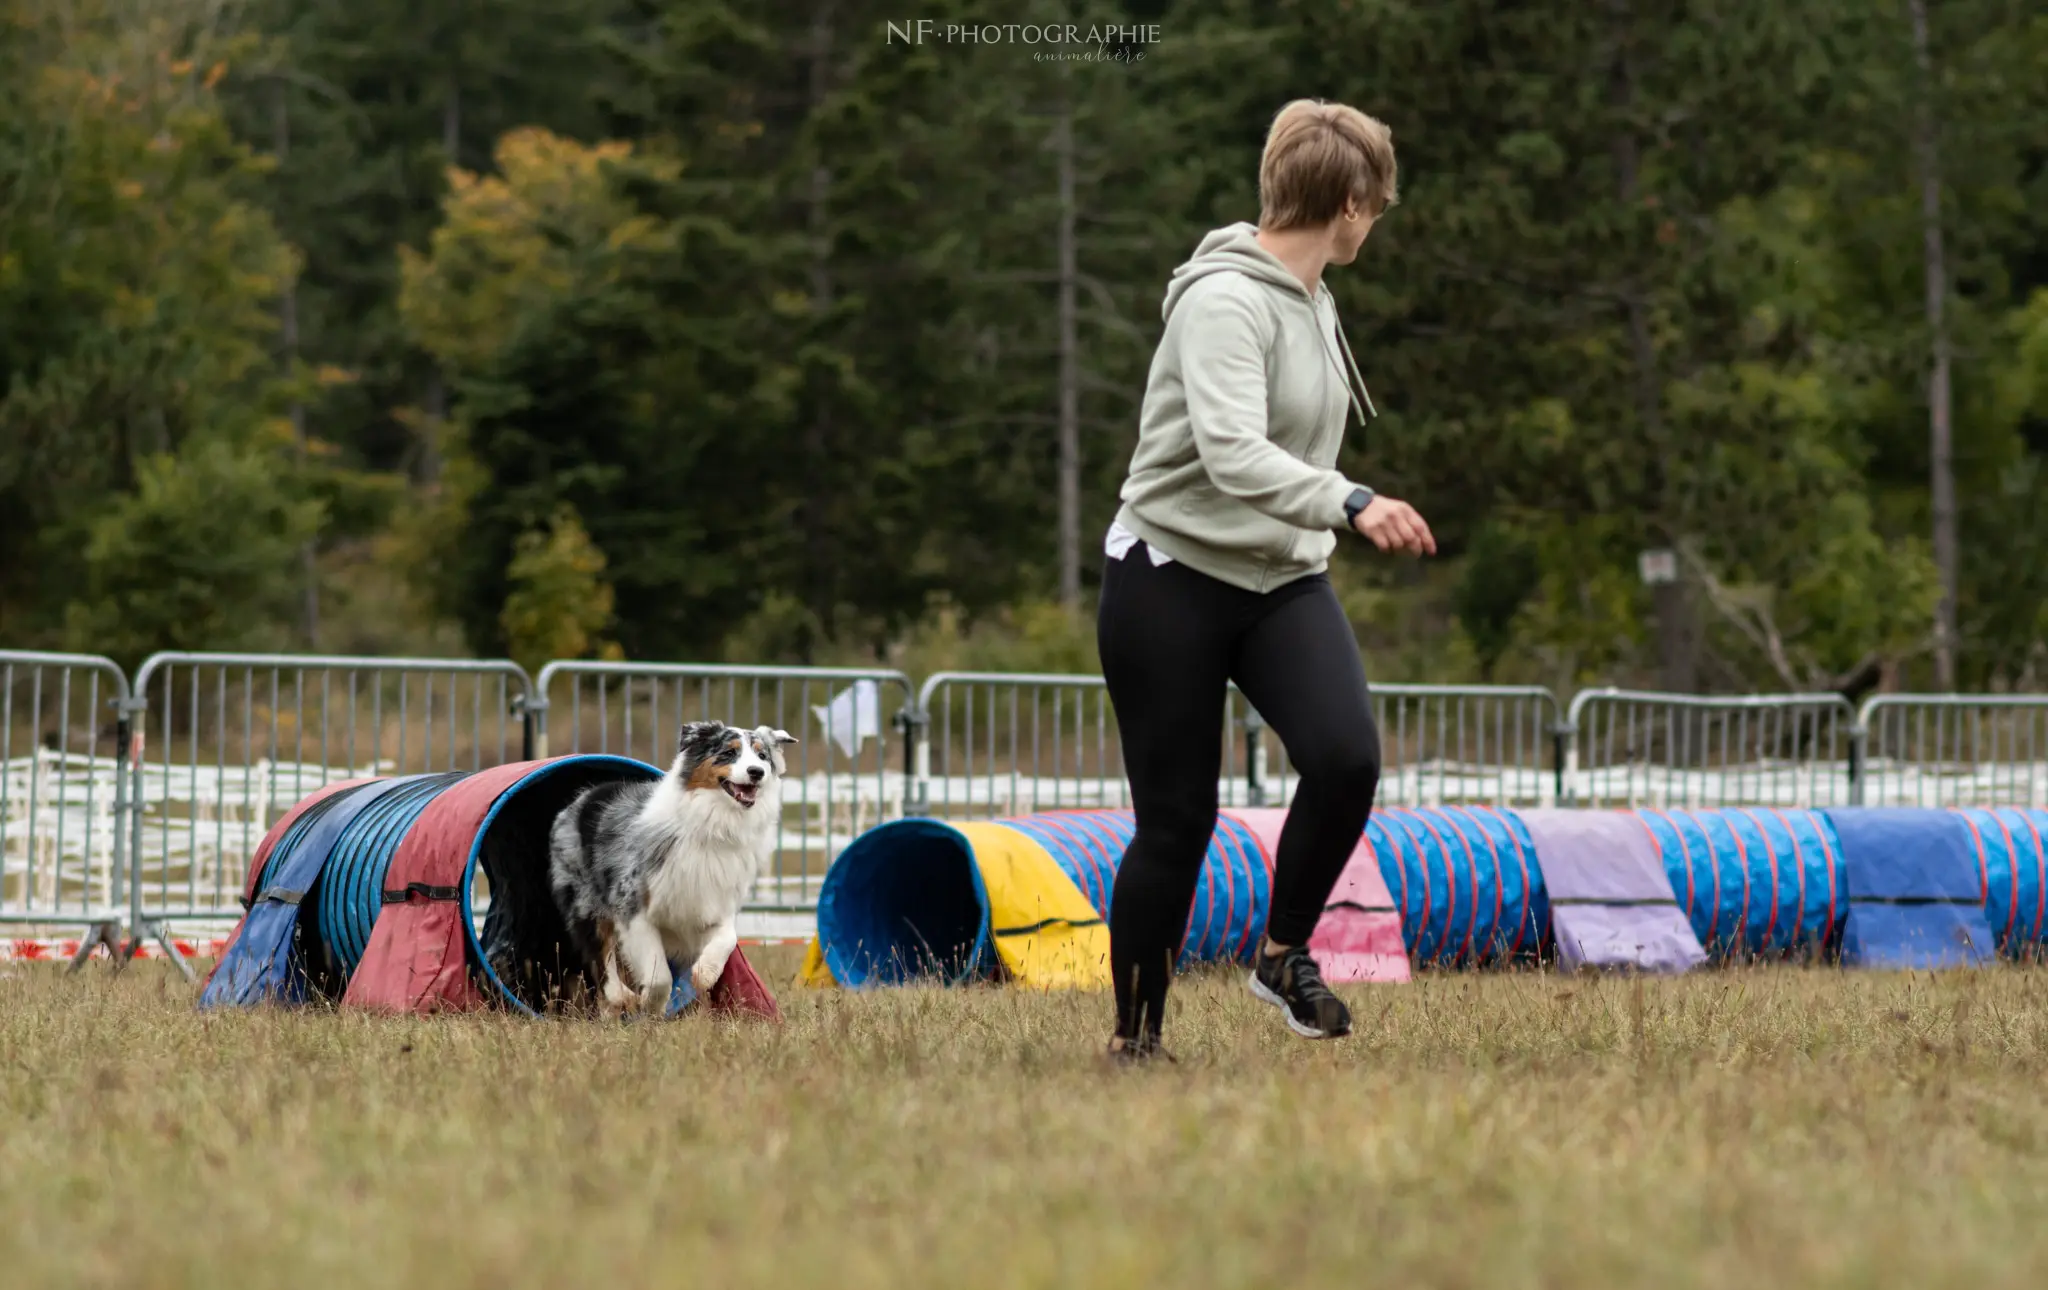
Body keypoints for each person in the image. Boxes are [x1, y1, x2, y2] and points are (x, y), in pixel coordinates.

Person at [1098, 99, 1434, 1060]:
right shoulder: (1223, 302)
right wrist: (1353, 499)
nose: (1377, 220)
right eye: (1378, 204)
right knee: (1178, 823)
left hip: (1280, 577)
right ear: (1351, 204)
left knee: (1344, 759)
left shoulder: (1311, 295)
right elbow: (1233, 454)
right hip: (1169, 574)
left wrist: (1330, 514)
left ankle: (1283, 954)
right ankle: (1137, 1039)